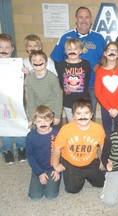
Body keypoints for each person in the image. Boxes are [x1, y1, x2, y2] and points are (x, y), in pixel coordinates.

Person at [51, 6, 106, 119]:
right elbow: (56, 59)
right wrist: (63, 82)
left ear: (91, 20)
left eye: (87, 17)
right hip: (71, 87)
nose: (84, 20)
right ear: (76, 19)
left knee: (89, 116)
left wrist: (98, 66)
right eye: (81, 17)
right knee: (71, 118)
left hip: (92, 85)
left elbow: (105, 59)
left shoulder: (99, 38)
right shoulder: (65, 36)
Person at [52, 98, 106, 194]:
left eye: (86, 113)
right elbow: (57, 148)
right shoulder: (66, 129)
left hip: (90, 161)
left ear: (92, 114)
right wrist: (55, 165)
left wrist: (103, 159)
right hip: (71, 162)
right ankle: (73, 175)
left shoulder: (98, 129)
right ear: (73, 116)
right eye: (78, 113)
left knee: (103, 183)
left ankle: (86, 174)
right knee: (72, 190)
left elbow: (103, 145)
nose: (83, 116)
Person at [0, 33, 26, 164]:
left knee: (19, 122)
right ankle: (7, 150)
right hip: (1, 103)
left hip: (17, 102)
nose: (3, 50)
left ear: (12, 48)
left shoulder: (18, 65)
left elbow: (26, 81)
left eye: (7, 47)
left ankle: (22, 148)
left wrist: (26, 73)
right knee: (4, 125)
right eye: (0, 47)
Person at [26, 105, 61, 200]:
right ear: (34, 122)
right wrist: (39, 172)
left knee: (50, 195)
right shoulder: (30, 136)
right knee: (35, 196)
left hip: (53, 168)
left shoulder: (57, 134)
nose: (43, 123)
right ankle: (40, 176)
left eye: (46, 120)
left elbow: (62, 153)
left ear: (51, 120)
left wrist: (57, 169)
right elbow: (29, 156)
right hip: (38, 168)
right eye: (39, 121)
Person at [95, 42, 118, 135]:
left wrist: (117, 109)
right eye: (109, 50)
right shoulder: (99, 70)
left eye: (114, 50)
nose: (112, 52)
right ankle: (108, 148)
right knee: (107, 130)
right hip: (106, 107)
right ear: (105, 53)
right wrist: (109, 109)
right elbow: (98, 92)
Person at [55, 38, 91, 122]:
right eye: (69, 49)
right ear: (66, 51)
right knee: (71, 123)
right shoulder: (61, 65)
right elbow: (61, 81)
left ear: (80, 51)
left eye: (75, 49)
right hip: (68, 100)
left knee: (84, 121)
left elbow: (87, 80)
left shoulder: (86, 64)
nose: (72, 51)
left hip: (83, 99)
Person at [26, 50, 63, 130]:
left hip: (52, 110)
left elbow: (58, 98)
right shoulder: (29, 79)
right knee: (41, 134)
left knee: (54, 135)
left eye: (40, 60)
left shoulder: (52, 78)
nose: (37, 62)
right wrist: (30, 119)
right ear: (31, 63)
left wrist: (57, 116)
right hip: (39, 111)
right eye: (34, 60)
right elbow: (31, 100)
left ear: (46, 63)